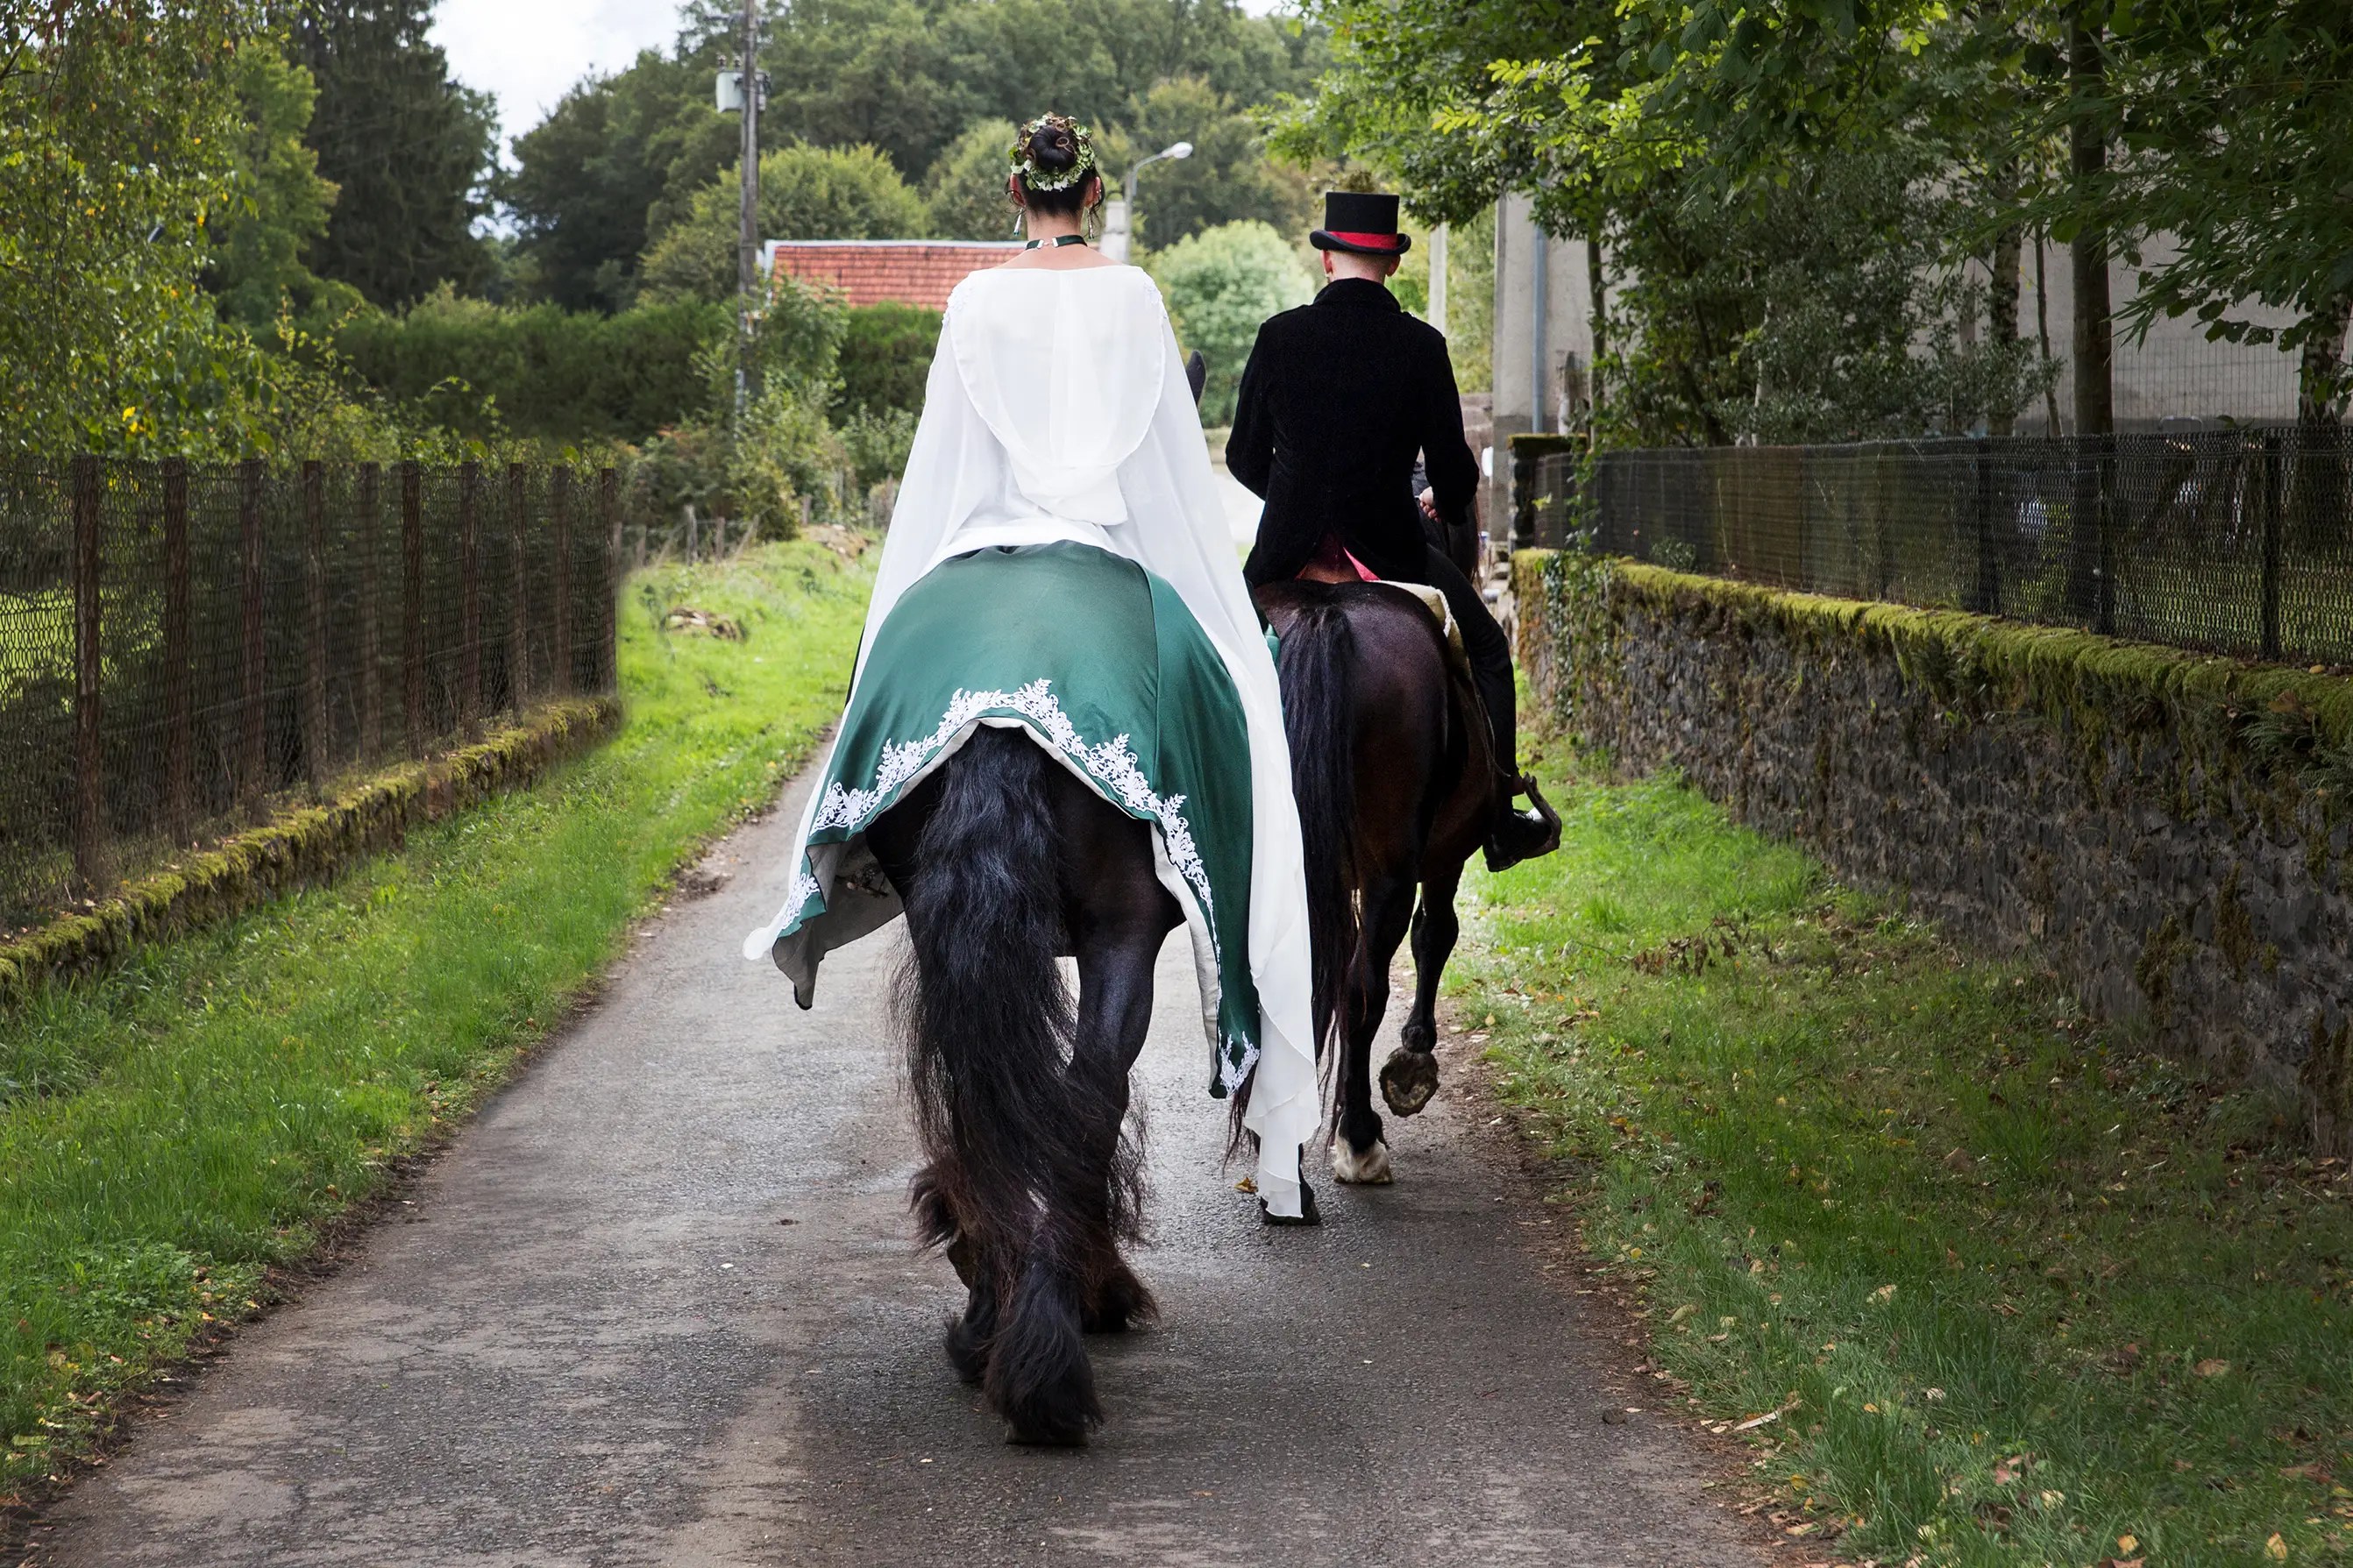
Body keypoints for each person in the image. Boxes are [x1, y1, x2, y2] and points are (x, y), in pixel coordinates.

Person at [740, 114, 1320, 1220]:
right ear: (1094, 191)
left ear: (1015, 195)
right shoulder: (1137, 295)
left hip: (972, 558)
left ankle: (835, 853)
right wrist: (1201, 604)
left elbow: (941, 467)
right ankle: (1231, 936)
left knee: (885, 685)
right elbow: (1165, 474)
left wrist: (896, 616)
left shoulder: (972, 298)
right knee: (1247, 731)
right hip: (1104, 561)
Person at [1229, 190, 1560, 872]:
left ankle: (1184, 808)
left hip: (1283, 557)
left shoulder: (1278, 336)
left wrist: (1295, 501)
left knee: (1209, 655)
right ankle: (1500, 816)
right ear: (1393, 264)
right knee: (1491, 653)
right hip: (1392, 553)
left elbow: (1240, 455)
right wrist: (1439, 495)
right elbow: (1456, 477)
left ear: (1326, 259)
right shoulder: (1421, 346)